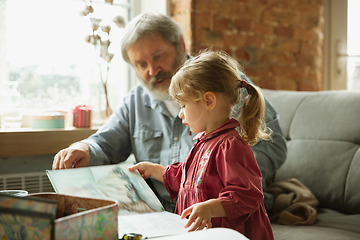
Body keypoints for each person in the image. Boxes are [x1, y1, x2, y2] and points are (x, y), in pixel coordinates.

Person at [52, 12, 287, 213]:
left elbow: (274, 146)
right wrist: (83, 148)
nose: (152, 70)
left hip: (225, 212)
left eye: (158, 57)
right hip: (161, 211)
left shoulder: (226, 87)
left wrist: (217, 179)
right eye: (141, 65)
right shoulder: (136, 101)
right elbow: (105, 144)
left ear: (180, 46)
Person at [128, 49, 274, 239]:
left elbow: (247, 195)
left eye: (183, 105)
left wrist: (211, 208)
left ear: (208, 101)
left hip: (228, 234)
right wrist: (154, 170)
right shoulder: (202, 142)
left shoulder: (230, 146)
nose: (180, 113)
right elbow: (189, 178)